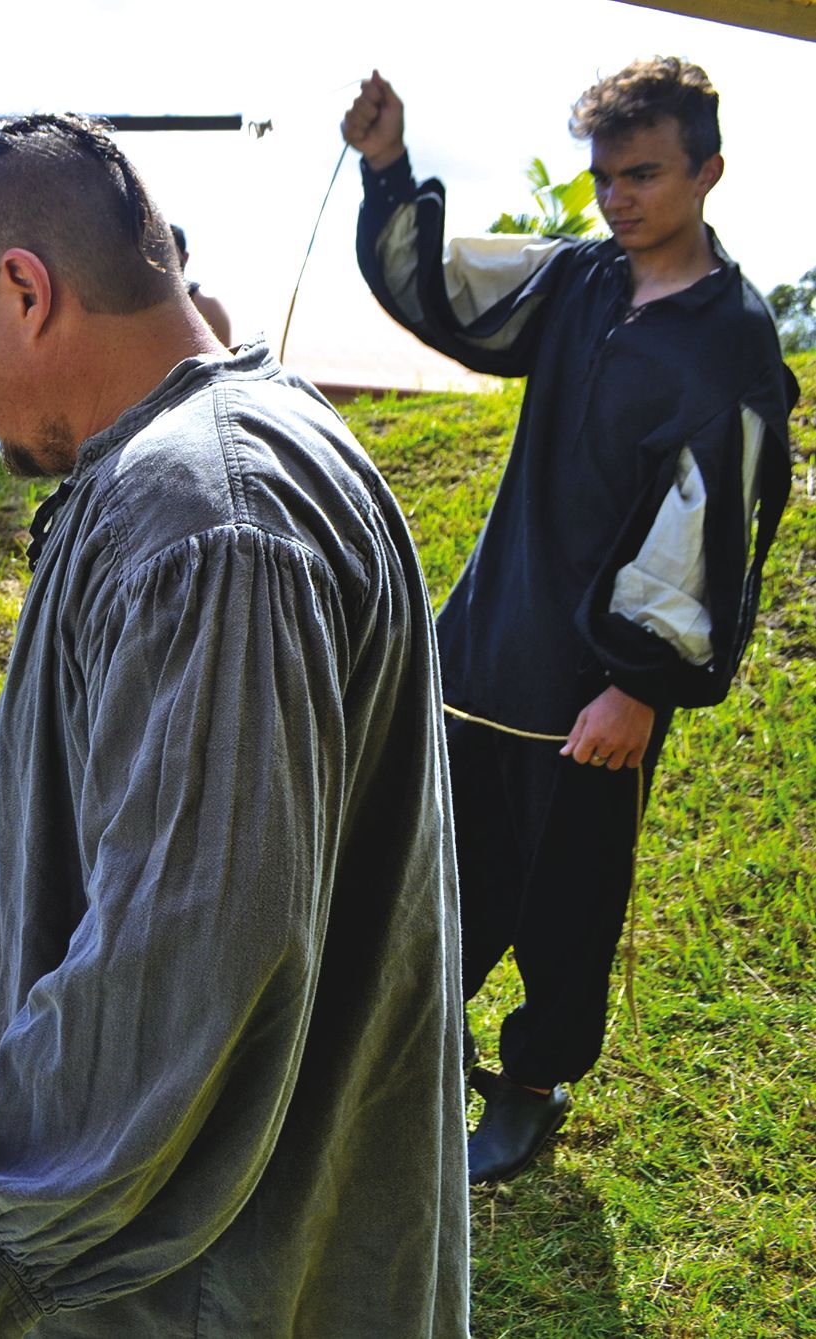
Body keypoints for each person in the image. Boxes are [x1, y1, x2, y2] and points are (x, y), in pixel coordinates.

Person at [0, 112, 467, 1337]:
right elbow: (146, 755)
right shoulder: (206, 466)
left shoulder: (206, 516)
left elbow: (180, 958)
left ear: (23, 291)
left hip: (207, 1283)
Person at [344, 60, 795, 1185]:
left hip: (596, 686)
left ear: (707, 170)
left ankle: (532, 1085)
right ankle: (407, 1045)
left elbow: (709, 532)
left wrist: (637, 684)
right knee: (435, 864)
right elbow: (449, 290)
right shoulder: (581, 281)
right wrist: (387, 167)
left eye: (642, 174)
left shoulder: (728, 342)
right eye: (603, 176)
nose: (617, 197)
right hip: (490, 638)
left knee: (565, 899)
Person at [170, 223, 233, 344]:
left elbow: (225, 360)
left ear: (184, 256)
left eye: (169, 250)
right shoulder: (140, 304)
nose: (163, 258)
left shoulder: (206, 304)